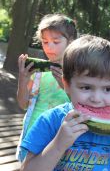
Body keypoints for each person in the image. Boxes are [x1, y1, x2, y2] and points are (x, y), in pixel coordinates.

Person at [20, 34, 110, 171]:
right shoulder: (50, 121)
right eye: (86, 87)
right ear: (66, 85)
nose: (97, 98)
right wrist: (58, 144)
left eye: (108, 89)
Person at [16, 13, 77, 162]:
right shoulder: (38, 72)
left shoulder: (77, 73)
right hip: (35, 135)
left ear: (71, 42)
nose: (49, 47)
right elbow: (23, 104)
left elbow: (83, 106)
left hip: (62, 137)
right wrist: (23, 80)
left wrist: (66, 86)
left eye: (56, 42)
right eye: (45, 42)